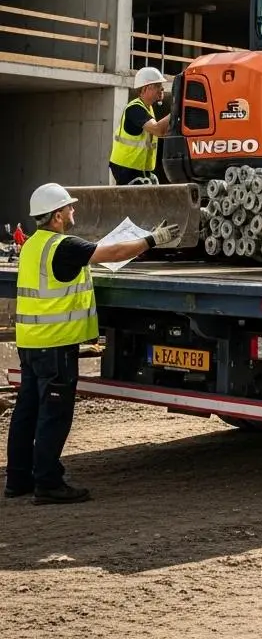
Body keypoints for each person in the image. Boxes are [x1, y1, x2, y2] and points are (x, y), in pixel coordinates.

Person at [5, 183, 181, 504]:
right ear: (57, 216)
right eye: (70, 208)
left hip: (31, 343)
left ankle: (18, 480)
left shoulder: (32, 244)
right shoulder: (64, 246)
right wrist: (154, 239)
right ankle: (48, 483)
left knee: (27, 412)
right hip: (56, 346)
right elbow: (111, 253)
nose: (74, 211)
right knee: (54, 415)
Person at [109, 66, 171, 185]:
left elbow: (162, 132)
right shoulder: (135, 109)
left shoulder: (148, 109)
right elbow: (158, 130)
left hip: (138, 168)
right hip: (126, 168)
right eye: (157, 86)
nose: (162, 89)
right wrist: (176, 111)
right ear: (145, 88)